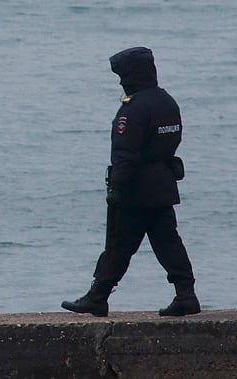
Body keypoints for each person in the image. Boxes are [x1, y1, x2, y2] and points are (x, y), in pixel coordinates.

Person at [62, 46, 200, 318]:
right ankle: (186, 293)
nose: (121, 82)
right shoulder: (167, 102)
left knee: (118, 244)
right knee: (167, 242)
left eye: (123, 76)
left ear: (132, 75)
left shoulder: (133, 110)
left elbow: (125, 153)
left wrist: (116, 188)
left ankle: (98, 296)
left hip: (135, 191)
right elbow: (172, 140)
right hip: (162, 186)